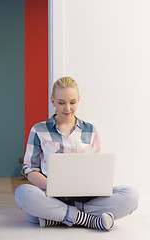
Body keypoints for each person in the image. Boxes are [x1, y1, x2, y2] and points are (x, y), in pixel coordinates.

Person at [15, 77, 139, 231]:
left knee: (131, 196)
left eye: (72, 102)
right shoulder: (38, 130)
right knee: (23, 194)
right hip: (51, 196)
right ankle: (89, 220)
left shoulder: (91, 130)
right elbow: (30, 169)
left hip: (86, 198)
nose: (67, 108)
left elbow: (97, 169)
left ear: (79, 100)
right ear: (52, 101)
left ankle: (56, 217)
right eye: (61, 103)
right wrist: (55, 187)